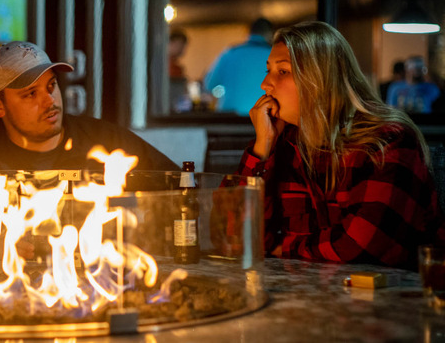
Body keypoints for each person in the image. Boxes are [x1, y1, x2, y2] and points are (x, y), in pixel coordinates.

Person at [236, 21, 445, 269]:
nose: (265, 84)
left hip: (395, 300)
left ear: (320, 80)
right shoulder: (282, 141)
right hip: (311, 296)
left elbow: (361, 246)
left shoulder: (386, 140)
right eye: (268, 70)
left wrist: (286, 248)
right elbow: (237, 237)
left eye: (283, 72)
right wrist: (262, 148)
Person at [0, 41, 180, 173]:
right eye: (30, 94)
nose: (50, 100)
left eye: (51, 85)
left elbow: (180, 187)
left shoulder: (106, 141)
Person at [204, 18, 273, 116]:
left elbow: (209, 84)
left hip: (231, 118)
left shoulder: (230, 53)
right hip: (264, 117)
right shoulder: (273, 55)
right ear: (270, 34)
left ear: (248, 33)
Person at [168, 29, 191, 113]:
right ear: (171, 43)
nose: (183, 50)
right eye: (181, 45)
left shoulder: (177, 67)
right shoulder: (162, 67)